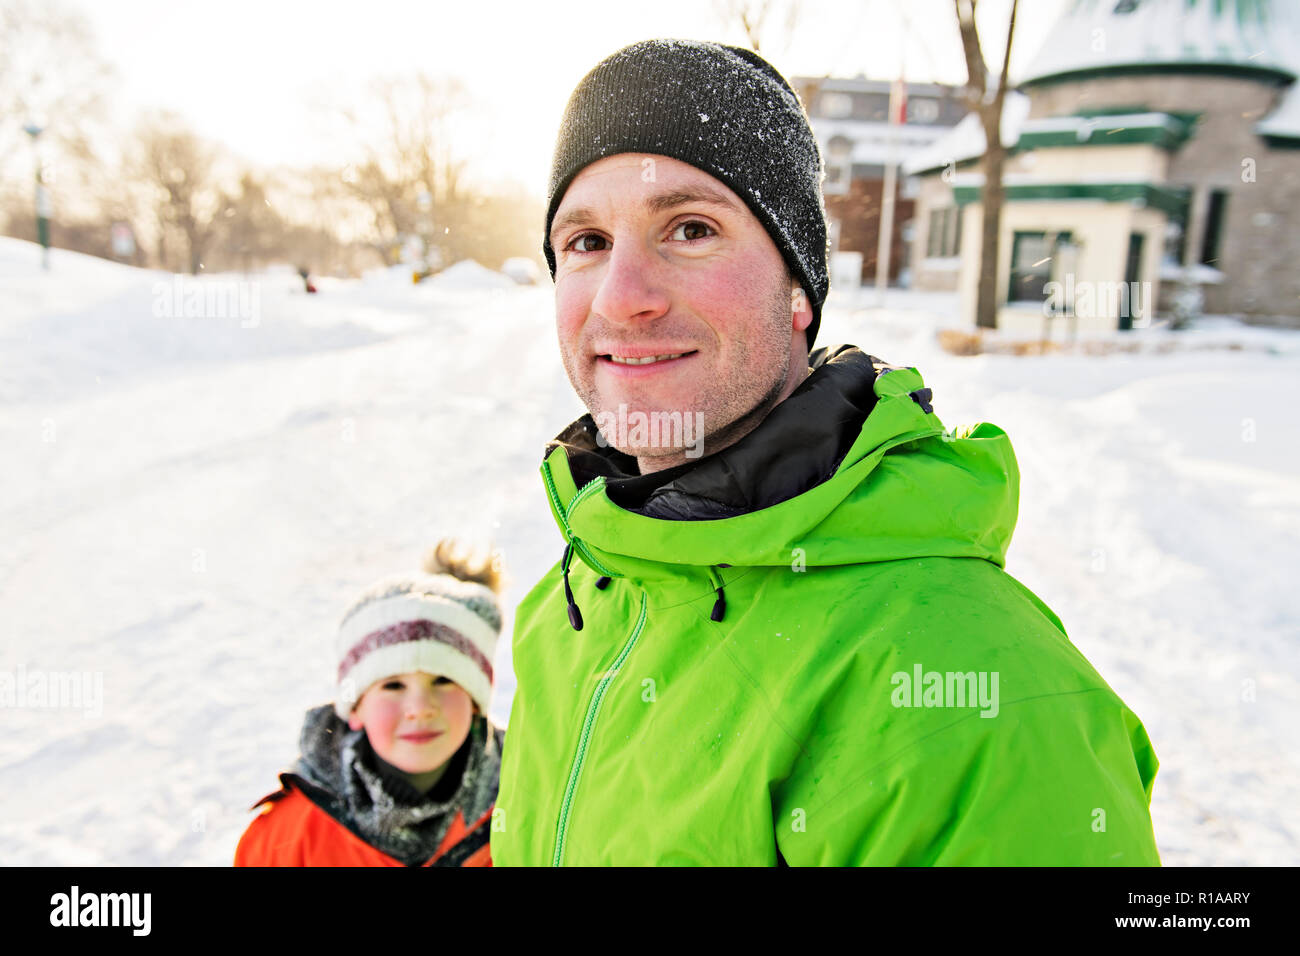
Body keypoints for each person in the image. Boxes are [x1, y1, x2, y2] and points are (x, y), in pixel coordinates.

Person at [491, 39, 1161, 866]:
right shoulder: (572, 608)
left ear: (799, 287)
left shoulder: (971, 694)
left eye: (691, 228)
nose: (623, 297)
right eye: (586, 242)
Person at [235, 541, 504, 867]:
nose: (419, 707)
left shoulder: (530, 803)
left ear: (476, 700)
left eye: (444, 680)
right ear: (355, 708)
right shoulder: (287, 839)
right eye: (393, 685)